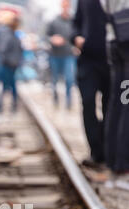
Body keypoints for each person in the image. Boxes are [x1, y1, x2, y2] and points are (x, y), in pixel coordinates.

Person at [72, 0, 110, 169]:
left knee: (111, 107)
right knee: (88, 103)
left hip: (113, 60)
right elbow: (76, 22)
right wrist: (76, 37)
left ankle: (108, 151)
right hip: (87, 61)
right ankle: (96, 152)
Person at [100, 0, 129, 175]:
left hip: (114, 39)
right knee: (126, 102)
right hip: (126, 40)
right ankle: (123, 161)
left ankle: (112, 158)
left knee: (118, 100)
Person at [47, 0, 76, 109]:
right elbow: (46, 36)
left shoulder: (73, 21)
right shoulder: (54, 21)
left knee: (69, 79)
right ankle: (55, 98)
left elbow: (77, 35)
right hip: (55, 54)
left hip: (68, 54)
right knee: (54, 79)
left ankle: (68, 101)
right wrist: (52, 39)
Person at [0, 12, 23, 114]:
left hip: (10, 64)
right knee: (7, 85)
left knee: (8, 85)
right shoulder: (7, 33)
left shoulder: (11, 33)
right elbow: (2, 49)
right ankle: (2, 107)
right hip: (8, 65)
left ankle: (3, 107)